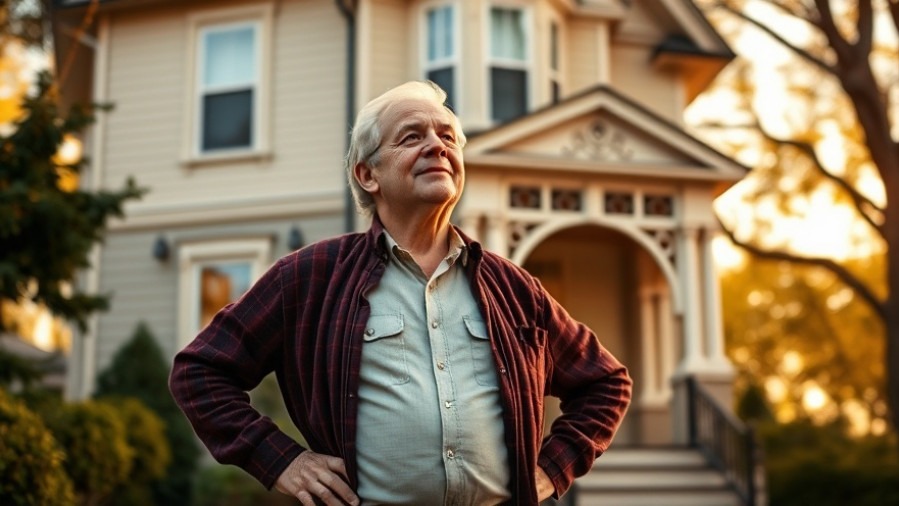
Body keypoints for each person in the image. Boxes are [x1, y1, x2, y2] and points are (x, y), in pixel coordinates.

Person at [170, 81, 632, 506]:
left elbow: (606, 383)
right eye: (412, 137)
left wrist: (553, 468)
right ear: (368, 174)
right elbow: (200, 372)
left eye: (448, 137)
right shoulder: (310, 277)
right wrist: (281, 461)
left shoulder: (512, 286)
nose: (437, 145)